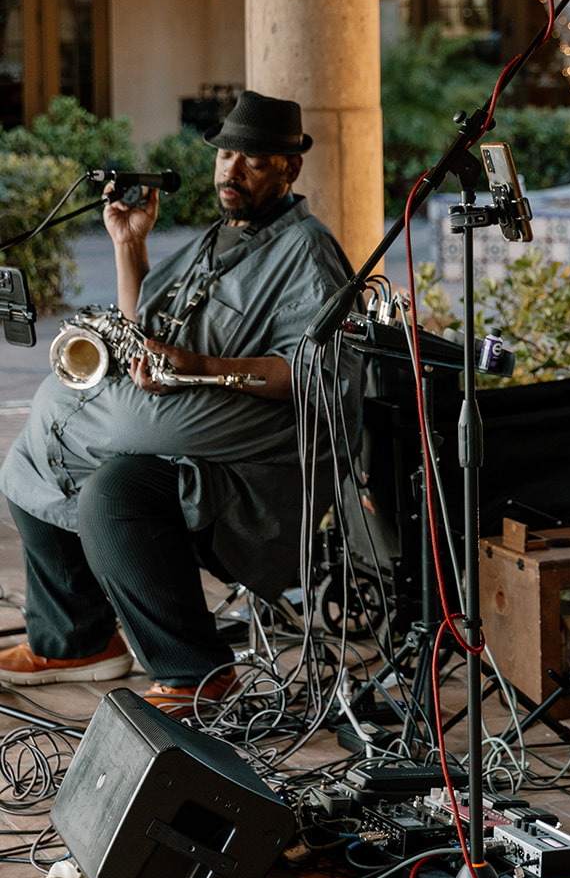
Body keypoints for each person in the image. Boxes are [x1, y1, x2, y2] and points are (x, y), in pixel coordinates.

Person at [0, 91, 360, 718]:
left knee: (110, 486)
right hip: (183, 424)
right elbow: (145, 333)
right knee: (27, 460)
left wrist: (201, 369)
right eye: (226, 154)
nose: (232, 169)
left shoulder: (308, 251)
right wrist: (129, 247)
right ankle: (75, 641)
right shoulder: (217, 237)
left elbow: (319, 379)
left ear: (289, 168)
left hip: (252, 464)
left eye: (252, 158)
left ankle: (197, 675)